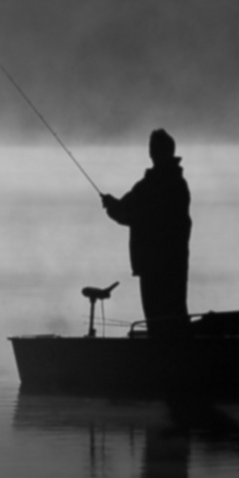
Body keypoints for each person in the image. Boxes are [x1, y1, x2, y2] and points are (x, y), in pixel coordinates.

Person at [102, 128, 192, 338]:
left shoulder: (151, 186)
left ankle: (163, 361)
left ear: (153, 153)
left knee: (157, 319)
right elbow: (133, 211)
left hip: (153, 266)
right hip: (176, 263)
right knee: (176, 314)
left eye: (153, 149)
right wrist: (115, 205)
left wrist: (110, 205)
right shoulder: (179, 184)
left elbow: (127, 212)